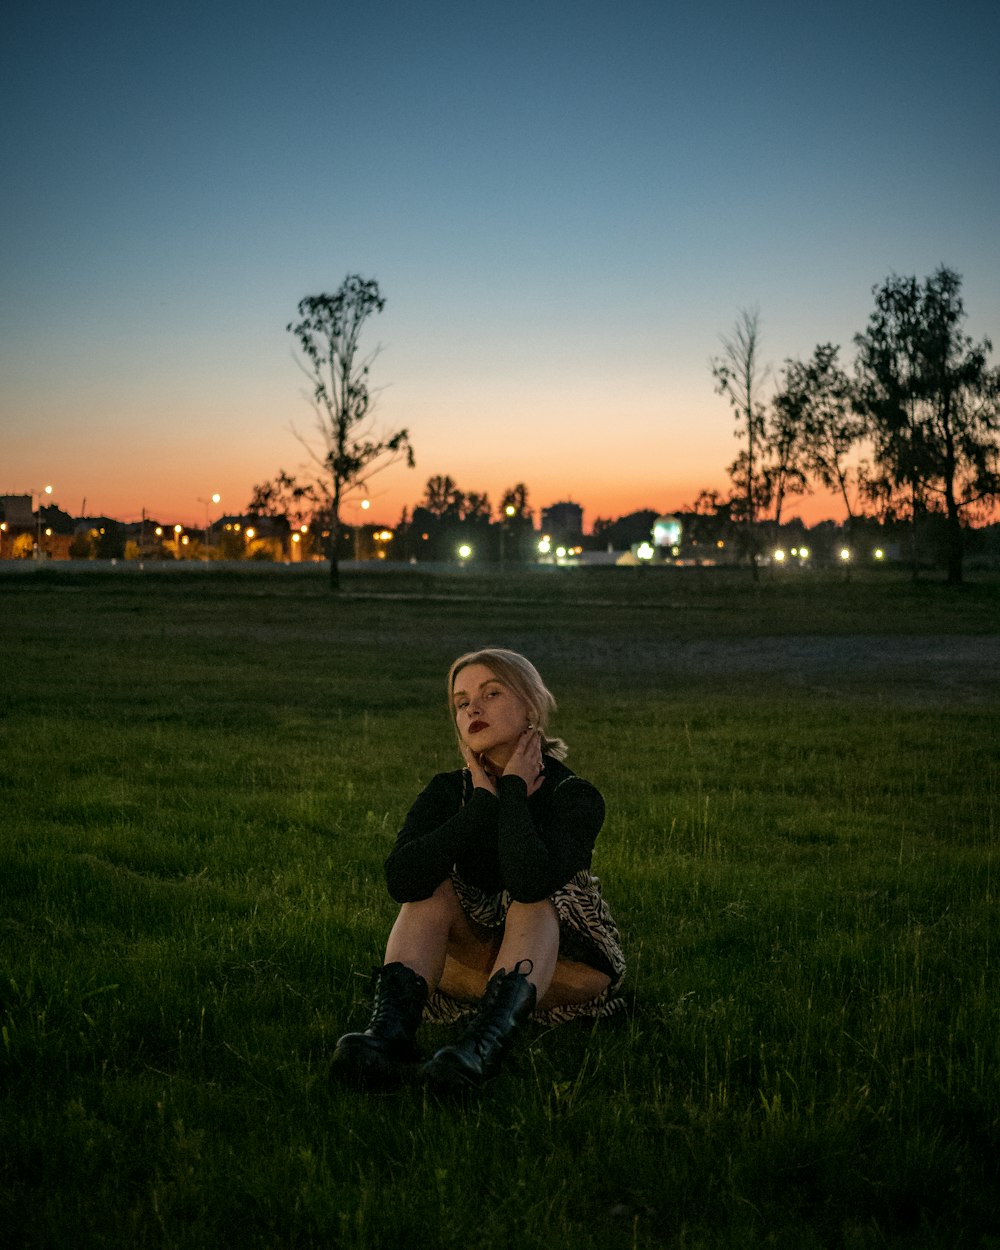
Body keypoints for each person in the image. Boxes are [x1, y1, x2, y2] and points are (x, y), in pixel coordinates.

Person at [331, 647, 625, 1092]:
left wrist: (511, 790)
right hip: (476, 958)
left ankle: (480, 1050)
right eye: (462, 701)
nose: (473, 708)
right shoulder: (447, 791)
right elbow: (403, 882)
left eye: (491, 693)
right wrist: (480, 805)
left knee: (533, 898)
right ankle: (386, 1037)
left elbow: (529, 881)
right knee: (430, 888)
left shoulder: (574, 795)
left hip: (568, 966)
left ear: (530, 706)